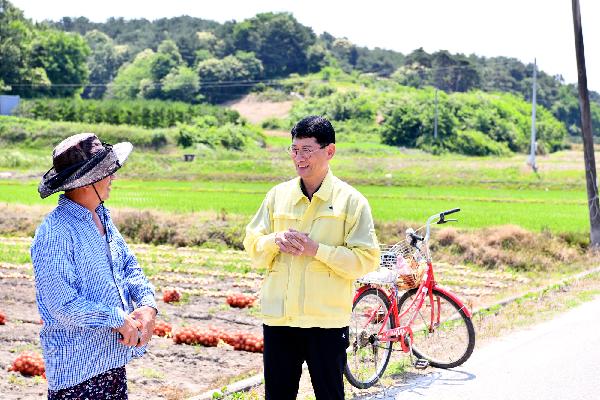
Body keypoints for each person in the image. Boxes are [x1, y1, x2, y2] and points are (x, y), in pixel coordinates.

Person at [243, 116, 380, 399]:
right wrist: (274, 241)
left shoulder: (351, 201)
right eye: (294, 150)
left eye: (307, 150)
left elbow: (366, 259)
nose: (299, 158)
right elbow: (253, 247)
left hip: (326, 323)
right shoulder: (277, 196)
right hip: (280, 320)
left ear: (329, 151)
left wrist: (317, 250)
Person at [30, 133, 158, 399]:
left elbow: (127, 265)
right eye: (107, 172)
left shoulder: (101, 215)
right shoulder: (55, 233)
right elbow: (62, 304)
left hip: (112, 362)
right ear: (88, 182)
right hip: (77, 374)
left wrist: (147, 305)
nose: (112, 178)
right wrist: (117, 318)